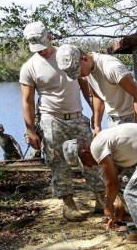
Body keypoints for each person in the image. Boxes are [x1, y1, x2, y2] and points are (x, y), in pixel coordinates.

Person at [19, 21, 105, 222]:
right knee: (57, 162)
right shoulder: (29, 67)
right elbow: (27, 101)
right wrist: (30, 130)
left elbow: (85, 85)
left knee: (91, 156)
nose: (41, 51)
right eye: (36, 48)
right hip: (51, 119)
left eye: (43, 45)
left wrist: (95, 113)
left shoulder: (68, 55)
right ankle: (68, 204)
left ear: (49, 37)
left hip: (76, 116)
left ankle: (100, 198)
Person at [56, 44, 137, 135]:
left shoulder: (111, 68)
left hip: (130, 119)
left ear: (85, 59)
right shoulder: (87, 71)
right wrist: (97, 125)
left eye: (78, 71)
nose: (79, 75)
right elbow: (97, 96)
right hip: (112, 119)